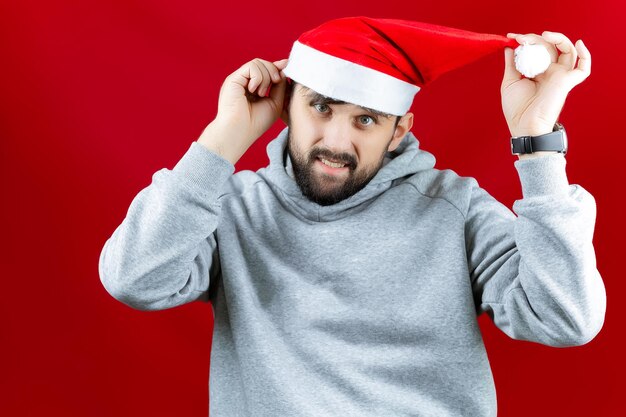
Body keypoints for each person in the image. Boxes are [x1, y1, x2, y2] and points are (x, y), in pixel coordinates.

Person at [99, 17, 606, 417]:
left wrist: (538, 144)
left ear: (400, 130)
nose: (337, 144)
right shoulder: (231, 208)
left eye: (365, 119)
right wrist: (223, 139)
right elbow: (136, 278)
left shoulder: (455, 211)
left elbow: (565, 319)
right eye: (320, 107)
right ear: (286, 106)